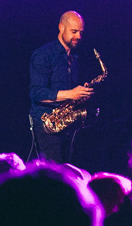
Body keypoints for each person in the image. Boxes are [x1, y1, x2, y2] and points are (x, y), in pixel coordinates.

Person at [29, 11, 94, 164]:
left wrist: (80, 95)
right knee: (55, 176)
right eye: (74, 31)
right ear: (61, 27)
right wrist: (71, 94)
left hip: (66, 125)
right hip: (47, 125)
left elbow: (68, 93)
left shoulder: (74, 56)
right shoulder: (43, 55)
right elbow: (36, 93)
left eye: (80, 32)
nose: (78, 36)